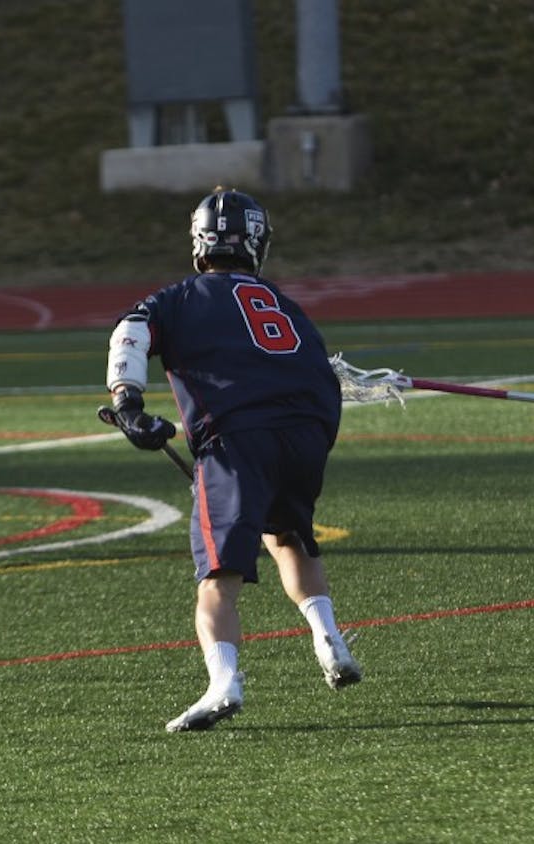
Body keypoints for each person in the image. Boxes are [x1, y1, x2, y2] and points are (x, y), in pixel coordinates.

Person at [103, 187, 361, 731]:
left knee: (218, 576)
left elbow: (129, 332)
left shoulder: (177, 298)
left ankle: (223, 684)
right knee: (288, 536)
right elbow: (318, 375)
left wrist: (128, 405)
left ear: (200, 242)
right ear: (257, 243)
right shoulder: (283, 303)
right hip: (306, 437)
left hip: (239, 442)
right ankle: (330, 640)